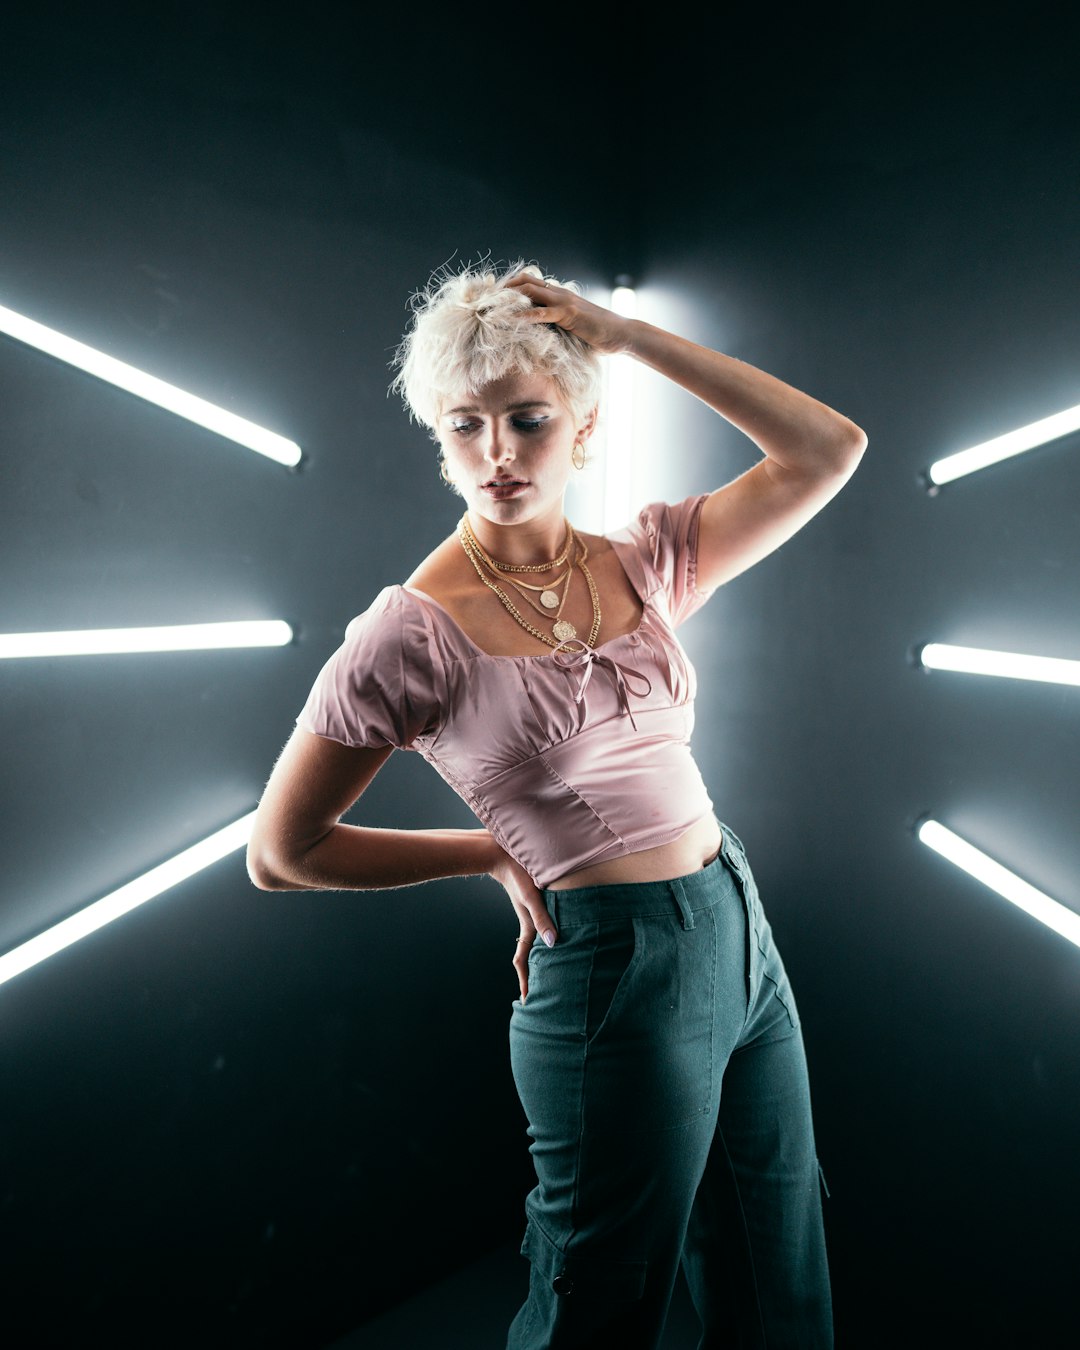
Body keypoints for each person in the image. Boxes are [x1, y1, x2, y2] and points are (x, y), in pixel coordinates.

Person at [246, 259, 867, 1349]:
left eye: (528, 420)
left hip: (737, 922)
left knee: (785, 1283)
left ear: (581, 428)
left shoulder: (643, 558)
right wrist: (481, 852)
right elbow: (281, 852)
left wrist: (624, 336)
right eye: (465, 426)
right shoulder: (406, 633)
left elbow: (829, 449)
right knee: (599, 1308)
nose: (496, 455)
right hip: (612, 972)